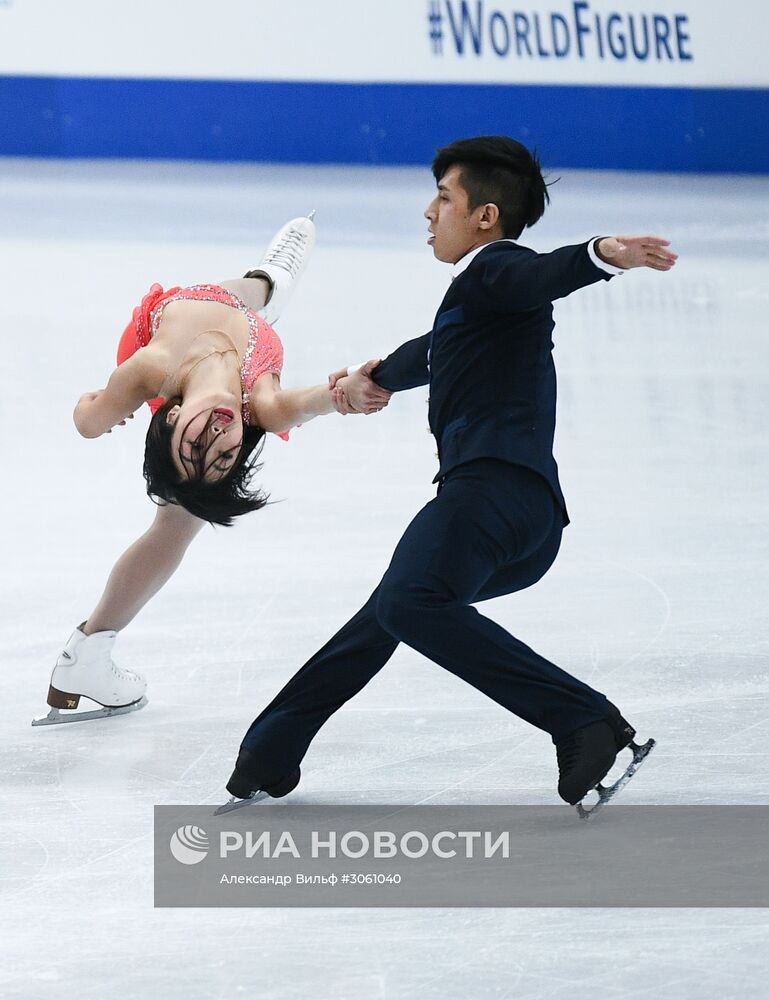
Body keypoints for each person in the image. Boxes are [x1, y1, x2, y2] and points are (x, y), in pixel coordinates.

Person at [221, 136, 678, 811]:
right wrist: (370, 379)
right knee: (395, 608)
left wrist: (598, 255)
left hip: (490, 497)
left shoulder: (498, 270)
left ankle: (585, 720)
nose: (429, 213)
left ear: (484, 217)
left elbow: (539, 274)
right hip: (521, 518)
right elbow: (433, 351)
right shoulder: (479, 305)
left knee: (408, 602)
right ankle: (272, 749)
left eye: (443, 198)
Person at [34, 214, 391, 725]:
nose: (216, 437)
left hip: (168, 331)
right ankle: (86, 658)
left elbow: (87, 424)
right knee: (183, 514)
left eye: (195, 444)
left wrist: (103, 406)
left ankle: (269, 278)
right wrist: (342, 395)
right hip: (239, 337)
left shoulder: (149, 369)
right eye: (224, 454)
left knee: (257, 292)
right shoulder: (256, 407)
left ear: (171, 413)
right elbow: (304, 403)